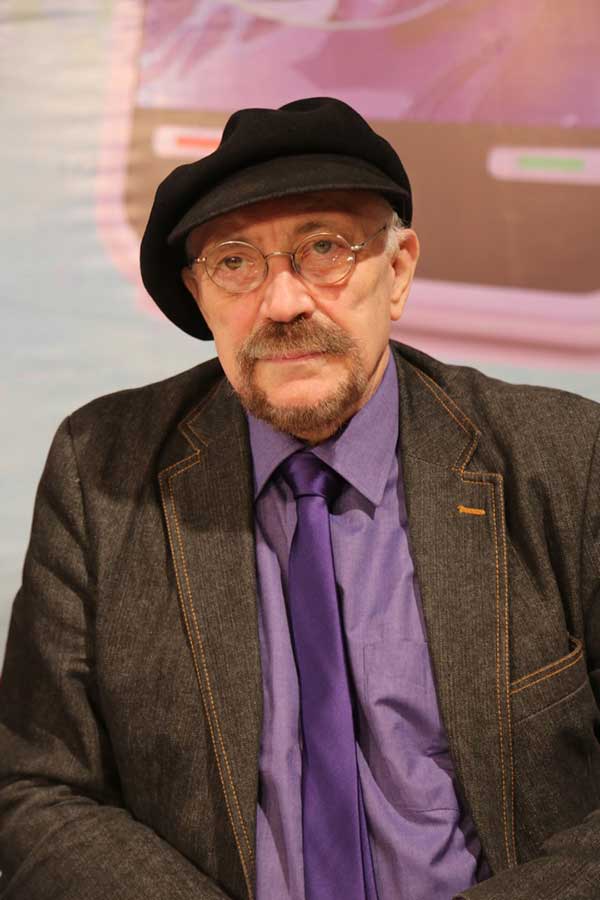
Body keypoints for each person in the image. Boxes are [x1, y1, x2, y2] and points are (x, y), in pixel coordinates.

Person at [0, 97, 598, 900]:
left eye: (324, 249)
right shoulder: (101, 474)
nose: (282, 304)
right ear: (199, 293)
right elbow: (37, 791)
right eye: (235, 262)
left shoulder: (565, 462)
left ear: (398, 269)